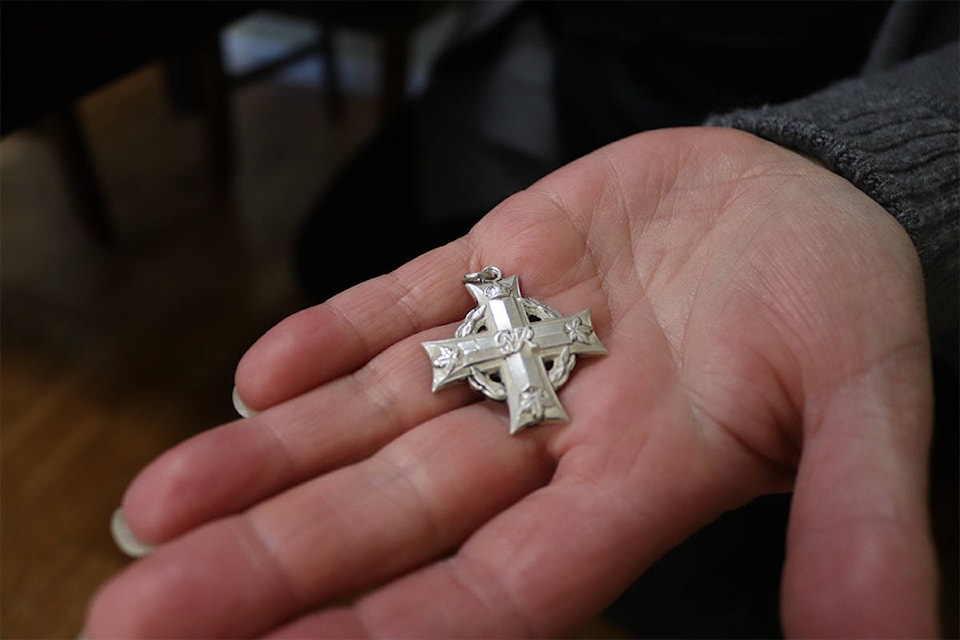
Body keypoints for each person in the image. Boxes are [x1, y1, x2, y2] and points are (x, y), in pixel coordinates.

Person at [85, 1, 956, 637]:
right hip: (568, 82)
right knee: (341, 242)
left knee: (671, 542)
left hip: (783, 126)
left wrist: (876, 153)